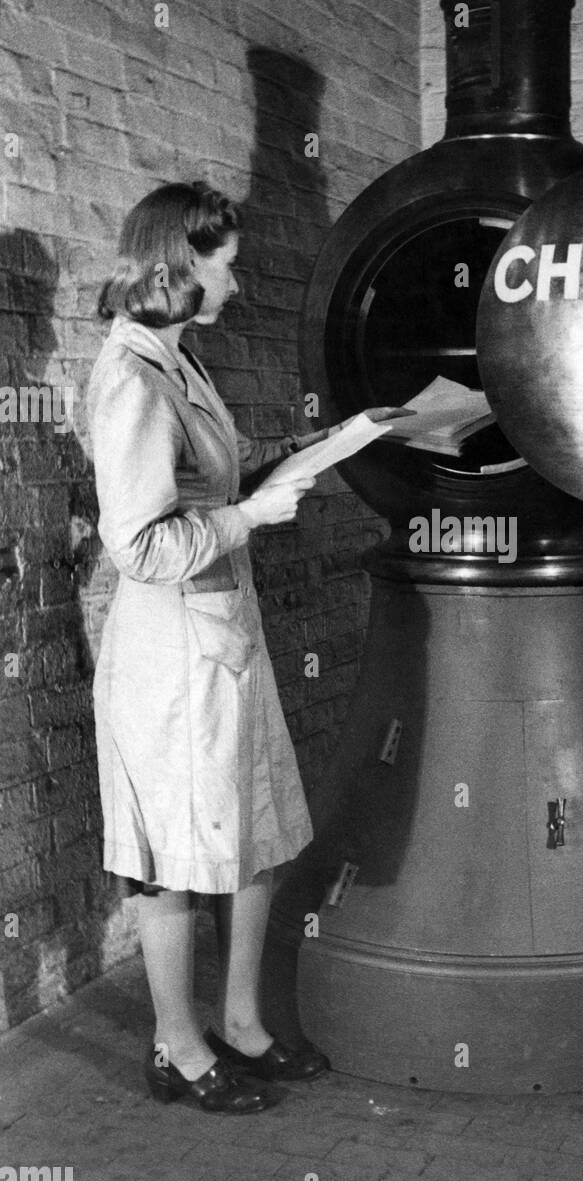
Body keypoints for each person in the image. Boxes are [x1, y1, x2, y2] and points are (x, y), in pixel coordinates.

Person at [87, 181, 384, 1114]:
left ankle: (243, 1024)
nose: (237, 283)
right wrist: (251, 514)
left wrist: (325, 444)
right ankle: (177, 1047)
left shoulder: (182, 362)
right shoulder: (130, 377)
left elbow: (209, 484)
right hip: (171, 659)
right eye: (226, 266)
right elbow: (138, 544)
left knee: (252, 837)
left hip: (222, 642)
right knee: (176, 854)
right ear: (179, 266)